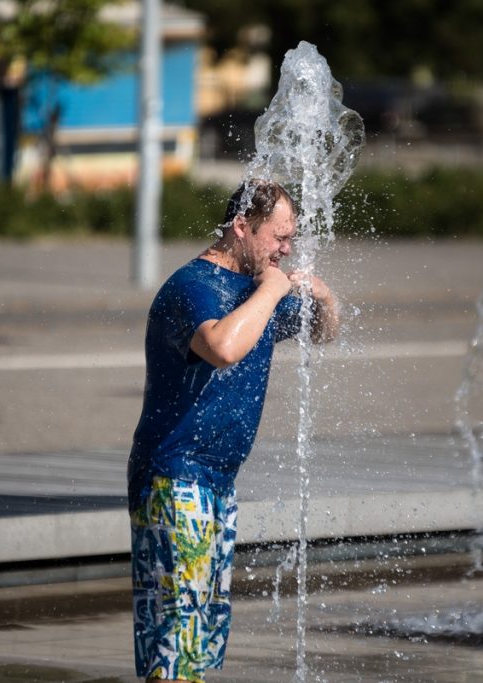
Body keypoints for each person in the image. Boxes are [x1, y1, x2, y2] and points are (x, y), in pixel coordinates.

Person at [127, 179, 338, 682]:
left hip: (217, 482)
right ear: (241, 227)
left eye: (290, 239)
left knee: (202, 636)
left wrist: (325, 298)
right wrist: (271, 289)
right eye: (278, 238)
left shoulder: (252, 292)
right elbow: (222, 347)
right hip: (173, 478)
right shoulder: (191, 287)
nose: (286, 250)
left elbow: (322, 333)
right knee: (177, 634)